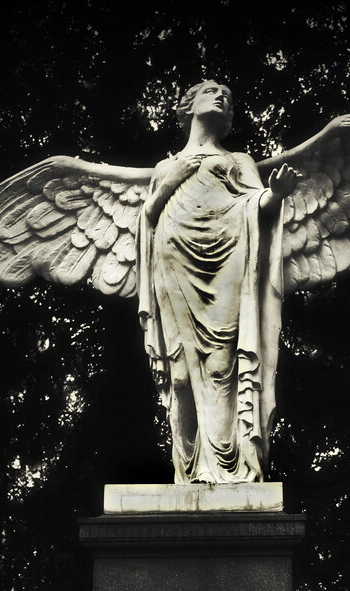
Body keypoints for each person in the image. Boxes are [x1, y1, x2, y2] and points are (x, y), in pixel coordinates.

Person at [136, 80, 300, 483]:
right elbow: (148, 216)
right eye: (211, 90)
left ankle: (225, 468)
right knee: (179, 376)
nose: (221, 95)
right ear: (189, 105)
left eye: (227, 95)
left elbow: (257, 203)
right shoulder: (166, 167)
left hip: (227, 259)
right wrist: (172, 178)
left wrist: (277, 194)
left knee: (222, 364)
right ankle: (188, 471)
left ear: (228, 117)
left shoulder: (239, 160)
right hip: (173, 264)